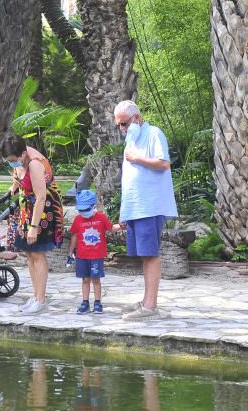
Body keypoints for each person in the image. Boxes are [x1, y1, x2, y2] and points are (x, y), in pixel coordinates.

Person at [114, 100, 178, 321]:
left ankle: (150, 307)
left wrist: (137, 159)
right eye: (119, 125)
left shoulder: (153, 133)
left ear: (137, 118)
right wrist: (125, 211)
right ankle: (146, 300)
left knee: (150, 255)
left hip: (150, 207)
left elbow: (163, 163)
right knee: (144, 255)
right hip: (136, 208)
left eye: (124, 123)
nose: (122, 128)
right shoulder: (131, 139)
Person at [3, 134, 64, 314]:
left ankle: (41, 299)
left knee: (37, 253)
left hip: (41, 213)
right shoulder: (20, 160)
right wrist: (13, 188)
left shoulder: (35, 164)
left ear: (23, 154)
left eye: (14, 160)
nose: (12, 164)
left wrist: (34, 227)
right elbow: (18, 176)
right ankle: (35, 295)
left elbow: (41, 198)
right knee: (29, 254)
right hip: (25, 210)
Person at [66, 189, 121, 314]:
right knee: (85, 279)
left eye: (86, 209)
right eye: (81, 210)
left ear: (93, 206)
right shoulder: (78, 219)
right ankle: (85, 302)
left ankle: (97, 302)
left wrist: (121, 225)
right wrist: (70, 252)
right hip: (82, 256)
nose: (83, 212)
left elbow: (111, 228)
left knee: (96, 279)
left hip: (96, 256)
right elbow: (74, 236)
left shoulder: (101, 218)